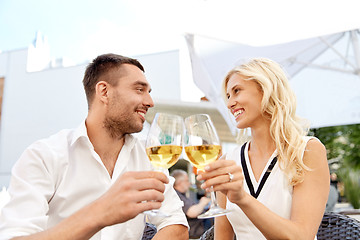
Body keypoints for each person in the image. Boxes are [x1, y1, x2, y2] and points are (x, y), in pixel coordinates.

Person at [0, 53, 188, 240]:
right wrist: (99, 213)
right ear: (104, 92)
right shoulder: (43, 156)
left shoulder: (149, 156)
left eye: (149, 92)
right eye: (139, 89)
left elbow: (176, 225)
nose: (150, 102)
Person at [197, 58, 330, 239]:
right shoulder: (228, 161)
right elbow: (222, 237)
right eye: (228, 96)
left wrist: (242, 198)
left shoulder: (307, 150)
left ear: (266, 89)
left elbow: (302, 236)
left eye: (237, 91)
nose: (229, 104)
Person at [171, 170, 210, 239]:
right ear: (180, 182)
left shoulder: (181, 195)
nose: (189, 183)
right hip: (197, 229)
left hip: (201, 226)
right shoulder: (176, 196)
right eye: (187, 181)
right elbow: (192, 212)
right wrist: (203, 202)